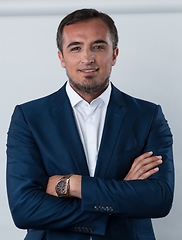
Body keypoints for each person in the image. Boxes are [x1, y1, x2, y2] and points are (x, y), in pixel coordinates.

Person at [6, 8, 174, 240]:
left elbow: (159, 199)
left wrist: (73, 184)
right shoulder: (29, 117)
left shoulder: (147, 115)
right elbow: (25, 209)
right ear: (61, 58)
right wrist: (122, 192)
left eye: (98, 46)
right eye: (75, 48)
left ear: (114, 54)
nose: (88, 58)